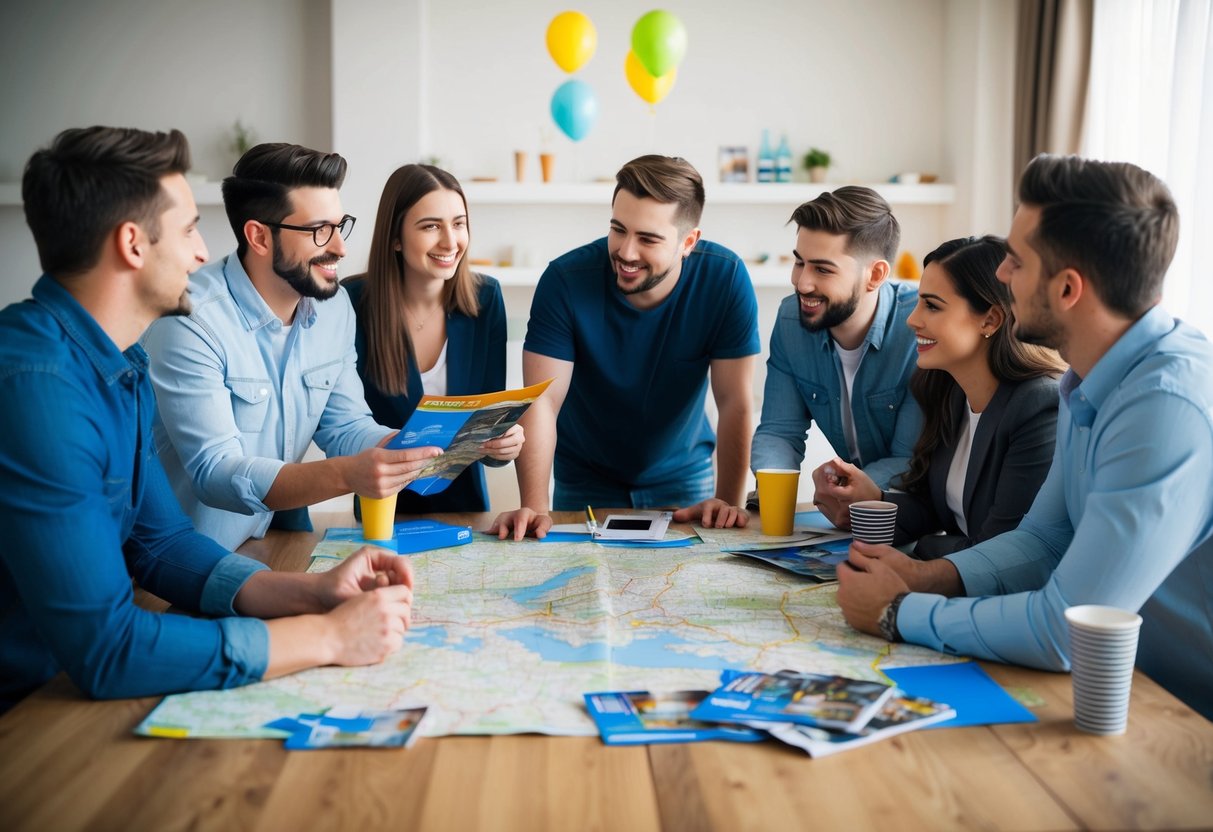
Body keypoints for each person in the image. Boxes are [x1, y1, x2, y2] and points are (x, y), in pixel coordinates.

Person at [0, 126, 419, 712]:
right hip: (29, 706)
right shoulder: (36, 389)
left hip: (62, 687)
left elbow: (160, 541)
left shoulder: (121, 365)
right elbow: (108, 650)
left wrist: (311, 591)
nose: (202, 253)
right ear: (132, 244)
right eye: (190, 229)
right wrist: (325, 636)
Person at [836, 154, 1213, 720]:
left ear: (1067, 289)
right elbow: (1042, 539)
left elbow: (1069, 629)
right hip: (1128, 692)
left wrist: (899, 612)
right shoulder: (1085, 380)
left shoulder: (1163, 404)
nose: (1003, 276)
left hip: (1182, 713)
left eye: (1015, 261)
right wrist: (924, 576)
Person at [143, 144, 440, 551]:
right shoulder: (190, 320)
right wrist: (347, 475)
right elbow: (216, 472)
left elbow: (347, 427)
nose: (340, 247)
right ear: (259, 236)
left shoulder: (333, 308)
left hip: (253, 545)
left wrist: (430, 446)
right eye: (320, 230)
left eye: (340, 225)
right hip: (167, 566)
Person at [491, 155, 760, 539]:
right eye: (618, 229)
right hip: (585, 477)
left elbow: (734, 400)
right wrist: (535, 508)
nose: (626, 252)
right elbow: (541, 402)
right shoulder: (564, 281)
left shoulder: (726, 278)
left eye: (648, 238)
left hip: (683, 475)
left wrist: (729, 505)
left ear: (688, 242)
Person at [812, 235, 1066, 558]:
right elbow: (931, 509)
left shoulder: (1038, 407)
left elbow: (1000, 553)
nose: (912, 319)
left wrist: (923, 549)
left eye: (932, 305)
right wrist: (872, 497)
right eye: (918, 302)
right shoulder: (948, 391)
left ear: (990, 319)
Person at [342, 164, 523, 514]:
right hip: (382, 511)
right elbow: (344, 426)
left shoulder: (486, 299)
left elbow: (486, 428)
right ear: (395, 237)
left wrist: (503, 446)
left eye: (458, 223)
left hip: (466, 511)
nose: (450, 241)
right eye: (430, 226)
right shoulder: (351, 302)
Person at [749, 187, 922, 520]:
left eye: (823, 270)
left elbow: (909, 460)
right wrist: (773, 501)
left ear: (875, 275)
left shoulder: (917, 328)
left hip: (914, 513)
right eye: (800, 262)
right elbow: (778, 431)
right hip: (851, 518)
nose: (802, 283)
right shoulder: (790, 321)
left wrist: (845, 487)